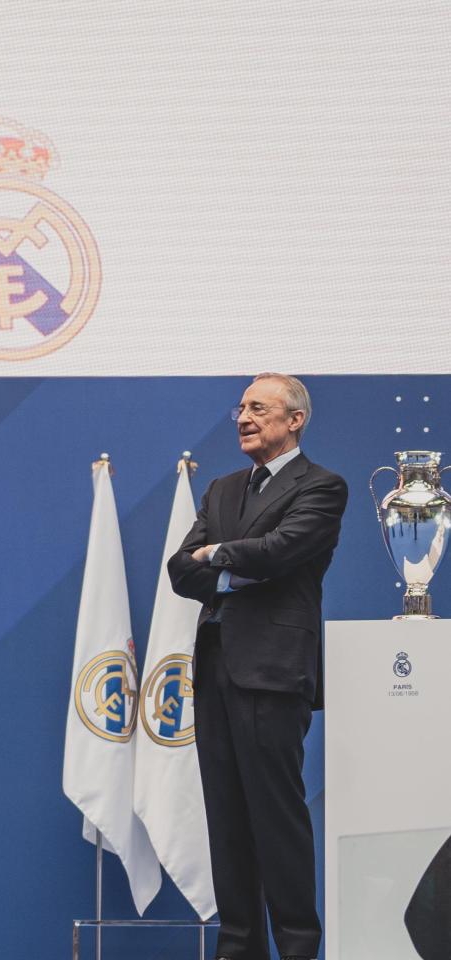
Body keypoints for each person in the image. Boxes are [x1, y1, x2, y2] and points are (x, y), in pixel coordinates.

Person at [168, 373, 348, 960]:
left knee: (276, 820)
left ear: (295, 420)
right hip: (216, 668)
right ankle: (237, 949)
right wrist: (230, 566)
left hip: (272, 672)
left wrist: (216, 555)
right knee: (227, 819)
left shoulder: (322, 486)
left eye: (258, 408)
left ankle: (298, 949)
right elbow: (178, 570)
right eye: (240, 408)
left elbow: (280, 553)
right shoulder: (221, 489)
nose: (243, 417)